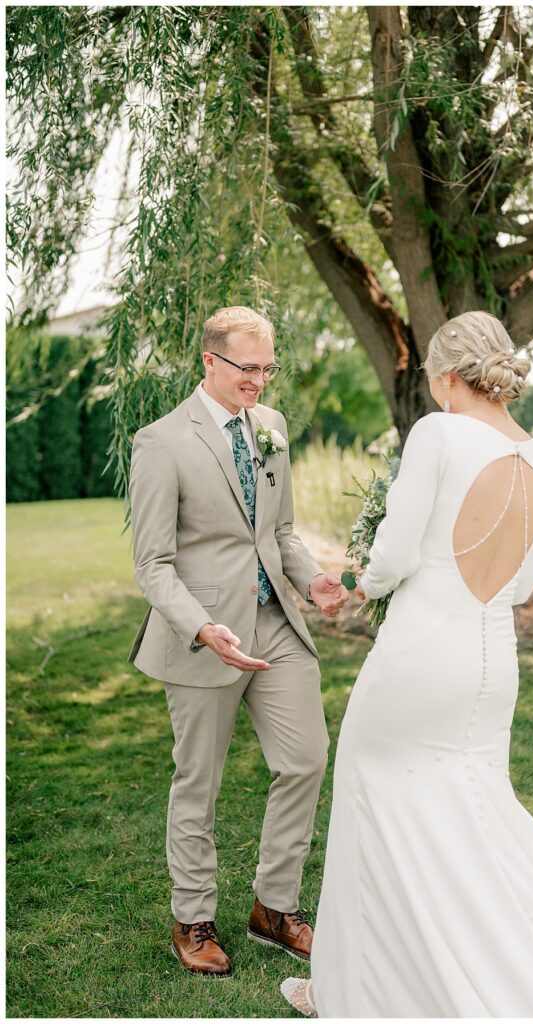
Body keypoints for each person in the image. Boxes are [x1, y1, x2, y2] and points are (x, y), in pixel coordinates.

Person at [281, 311, 533, 1017]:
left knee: (371, 797)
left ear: (449, 377)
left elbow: (395, 558)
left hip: (422, 651)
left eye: (430, 383)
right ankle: (508, 969)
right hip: (492, 661)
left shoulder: (437, 434)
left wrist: (360, 581)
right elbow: (519, 586)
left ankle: (349, 988)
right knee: (477, 815)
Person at [128, 306, 348, 977]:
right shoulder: (161, 442)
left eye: (266, 368)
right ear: (209, 362)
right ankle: (192, 917)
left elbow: (278, 536)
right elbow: (152, 566)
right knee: (199, 781)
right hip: (203, 637)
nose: (258, 380)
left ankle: (274, 908)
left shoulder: (272, 428)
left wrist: (313, 582)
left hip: (276, 624)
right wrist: (201, 627)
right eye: (245, 368)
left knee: (306, 759)